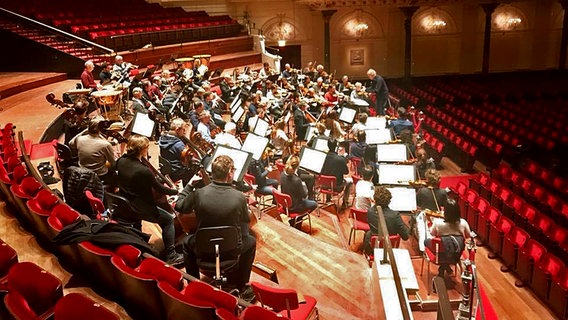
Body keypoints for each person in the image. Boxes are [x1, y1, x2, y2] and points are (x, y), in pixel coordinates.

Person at [175, 155, 256, 301]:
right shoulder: (239, 197)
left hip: (203, 249)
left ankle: (193, 284)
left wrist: (190, 185)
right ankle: (242, 286)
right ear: (230, 173)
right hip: (231, 250)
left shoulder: (198, 194)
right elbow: (246, 219)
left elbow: (179, 206)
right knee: (250, 241)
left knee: (186, 243)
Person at [116, 135, 183, 265]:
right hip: (140, 207)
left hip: (125, 203)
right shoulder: (143, 171)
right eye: (147, 147)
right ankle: (171, 255)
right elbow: (160, 189)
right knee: (168, 219)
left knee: (139, 216)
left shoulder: (121, 161)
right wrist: (176, 191)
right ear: (142, 150)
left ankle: (139, 243)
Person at [425, 198, 471, 276]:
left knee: (426, 241)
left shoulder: (438, 223)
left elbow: (432, 233)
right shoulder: (463, 223)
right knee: (445, 247)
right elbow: (468, 235)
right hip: (456, 254)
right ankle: (445, 266)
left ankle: (443, 266)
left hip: (440, 253)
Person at [68, 118, 116, 186]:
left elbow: (71, 144)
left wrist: (84, 131)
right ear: (100, 130)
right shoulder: (105, 144)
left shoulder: (80, 139)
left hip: (83, 172)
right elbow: (113, 163)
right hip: (99, 175)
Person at [364, 186, 410, 255]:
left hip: (374, 248)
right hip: (390, 248)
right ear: (389, 201)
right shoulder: (395, 215)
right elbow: (405, 236)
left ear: (375, 199)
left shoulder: (370, 211)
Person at [158, 118, 193, 184]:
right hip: (177, 171)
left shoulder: (162, 138)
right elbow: (188, 159)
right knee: (195, 171)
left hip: (167, 168)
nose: (185, 131)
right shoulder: (178, 145)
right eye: (183, 129)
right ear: (177, 129)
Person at [321, 139, 353, 209]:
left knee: (328, 177)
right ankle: (345, 202)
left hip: (323, 185)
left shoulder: (322, 156)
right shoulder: (340, 159)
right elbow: (346, 172)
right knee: (350, 181)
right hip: (337, 187)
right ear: (336, 147)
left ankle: (328, 199)